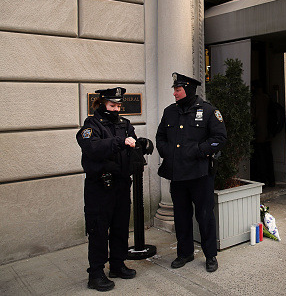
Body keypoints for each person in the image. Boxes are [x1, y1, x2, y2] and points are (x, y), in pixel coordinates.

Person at [77, 87, 153, 291]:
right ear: (102, 104)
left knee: (120, 227)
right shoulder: (91, 125)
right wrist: (120, 142)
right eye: (112, 105)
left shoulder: (124, 124)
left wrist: (141, 145)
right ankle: (96, 273)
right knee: (99, 229)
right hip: (100, 186)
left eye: (119, 105)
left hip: (120, 183)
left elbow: (132, 143)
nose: (116, 109)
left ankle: (117, 265)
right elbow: (93, 148)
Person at [156, 73, 227, 272]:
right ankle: (184, 253)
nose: (174, 94)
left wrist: (198, 151)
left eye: (177, 90)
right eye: (174, 90)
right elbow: (160, 136)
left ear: (188, 90)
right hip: (177, 175)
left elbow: (219, 138)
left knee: (204, 216)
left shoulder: (208, 111)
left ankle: (210, 255)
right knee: (181, 216)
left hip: (200, 175)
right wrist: (168, 151)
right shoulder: (170, 112)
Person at [250, 80, 275, 187]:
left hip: (258, 132)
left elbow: (252, 115)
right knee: (268, 156)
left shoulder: (254, 99)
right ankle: (271, 180)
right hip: (267, 132)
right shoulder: (267, 98)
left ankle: (261, 179)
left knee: (259, 158)